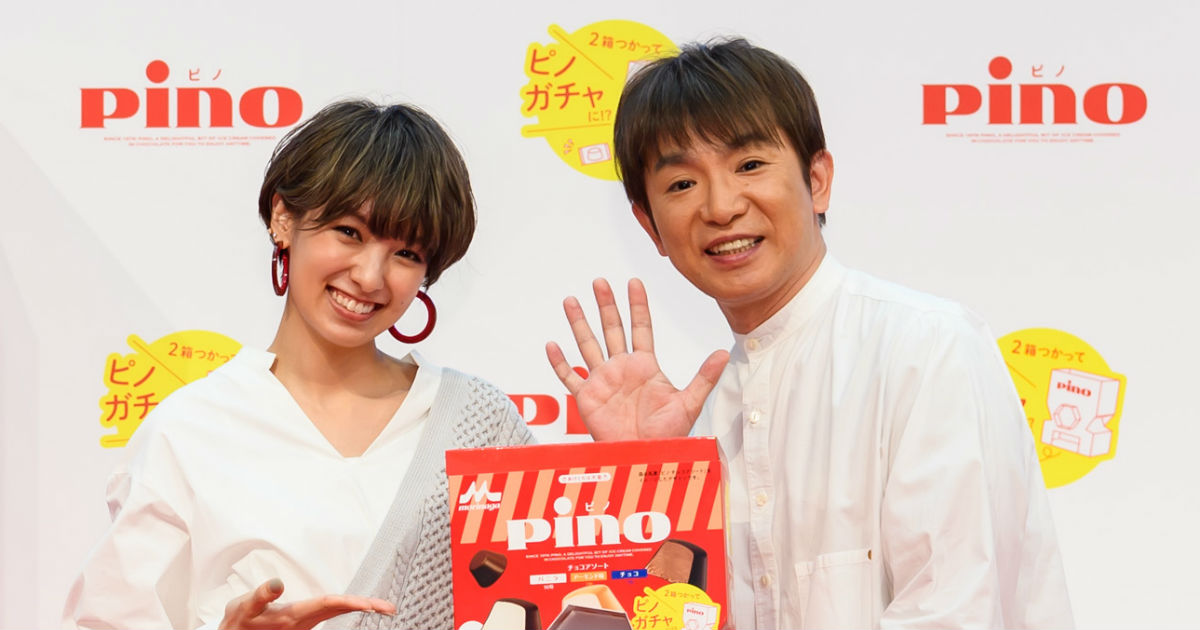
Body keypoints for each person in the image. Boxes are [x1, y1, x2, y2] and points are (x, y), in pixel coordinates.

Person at [546, 38, 1073, 629]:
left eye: (749, 166)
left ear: (817, 179)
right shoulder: (703, 419)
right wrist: (649, 484)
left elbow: (955, 610)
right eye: (681, 185)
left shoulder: (925, 348)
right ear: (650, 226)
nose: (721, 207)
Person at [65, 100, 533, 630]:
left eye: (407, 254)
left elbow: (555, 593)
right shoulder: (191, 430)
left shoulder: (478, 424)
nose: (370, 276)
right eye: (349, 232)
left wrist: (617, 456)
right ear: (283, 219)